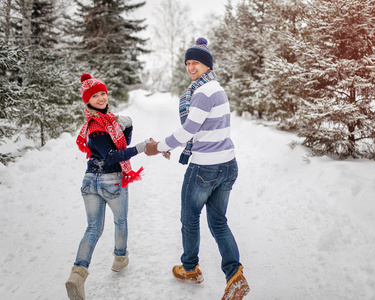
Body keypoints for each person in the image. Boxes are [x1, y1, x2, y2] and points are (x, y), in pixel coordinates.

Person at [145, 38, 250, 300]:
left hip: (205, 167)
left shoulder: (201, 93)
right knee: (218, 221)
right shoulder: (217, 89)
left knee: (190, 218)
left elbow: (189, 130)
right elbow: (204, 128)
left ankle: (190, 269)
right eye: (188, 63)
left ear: (207, 65)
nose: (191, 67)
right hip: (228, 165)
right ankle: (234, 275)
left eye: (197, 63)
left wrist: (159, 146)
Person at [65, 73, 150, 300]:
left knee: (93, 228)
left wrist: (127, 128)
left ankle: (78, 274)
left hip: (89, 180)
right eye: (95, 96)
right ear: (87, 101)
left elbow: (119, 145)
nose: (101, 98)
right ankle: (120, 259)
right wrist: (140, 148)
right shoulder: (96, 125)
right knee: (120, 221)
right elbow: (113, 156)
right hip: (110, 179)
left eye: (103, 93)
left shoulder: (106, 122)